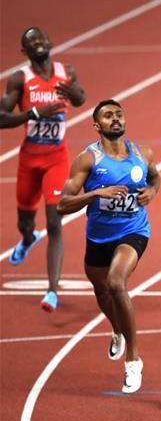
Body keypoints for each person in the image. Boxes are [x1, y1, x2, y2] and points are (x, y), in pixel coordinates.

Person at [58, 100, 159, 393]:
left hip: (134, 230)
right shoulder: (88, 160)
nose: (115, 119)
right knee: (101, 291)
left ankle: (133, 360)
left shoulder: (142, 153)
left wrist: (151, 192)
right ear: (97, 125)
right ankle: (118, 330)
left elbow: (155, 176)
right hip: (99, 236)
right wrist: (96, 193)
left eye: (118, 114)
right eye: (108, 116)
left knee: (116, 283)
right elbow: (62, 204)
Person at [0, 27, 86, 311]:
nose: (38, 43)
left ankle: (51, 291)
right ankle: (27, 238)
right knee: (25, 221)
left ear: (50, 43)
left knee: (54, 222)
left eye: (41, 39)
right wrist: (34, 113)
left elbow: (80, 98)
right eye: (30, 42)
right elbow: (2, 118)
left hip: (56, 159)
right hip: (29, 160)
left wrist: (75, 94)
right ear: (25, 52)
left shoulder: (66, 71)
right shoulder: (20, 79)